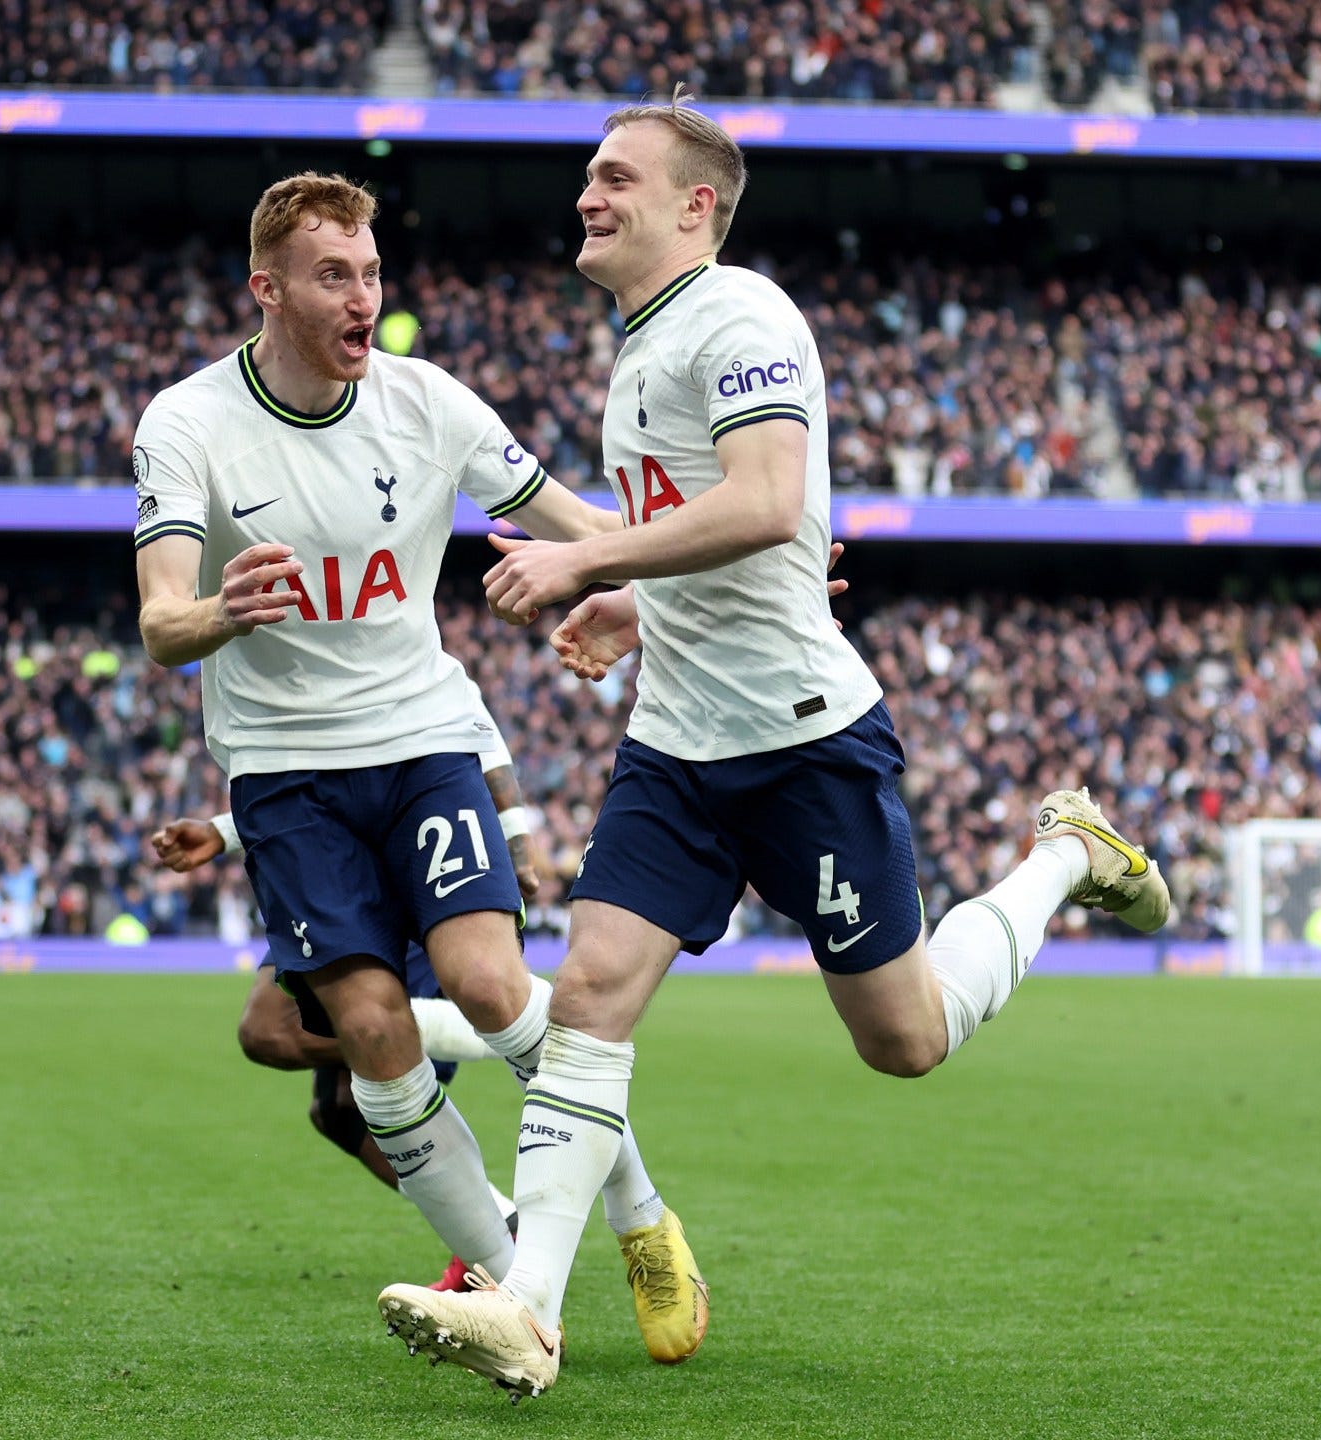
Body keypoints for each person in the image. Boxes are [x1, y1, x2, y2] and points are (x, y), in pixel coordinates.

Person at [376, 92, 1171, 1400]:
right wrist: (631, 602)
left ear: (695, 204)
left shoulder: (739, 315)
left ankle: (1064, 857)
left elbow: (765, 501)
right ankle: (530, 1311)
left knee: (904, 1038)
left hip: (803, 748)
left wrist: (584, 554)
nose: (588, 194)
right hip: (679, 748)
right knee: (589, 997)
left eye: (615, 176)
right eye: (587, 174)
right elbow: (744, 533)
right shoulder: (643, 341)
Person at [131, 171, 707, 1368]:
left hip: (423, 741)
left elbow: (587, 525)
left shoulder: (428, 403)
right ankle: (515, 1295)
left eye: (372, 272)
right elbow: (158, 621)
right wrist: (220, 614)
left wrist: (758, 565)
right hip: (285, 778)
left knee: (491, 987)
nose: (363, 298)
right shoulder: (184, 423)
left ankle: (639, 1216)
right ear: (268, 289)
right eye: (333, 275)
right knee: (370, 1030)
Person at [150, 705, 540, 1289]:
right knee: (336, 1111)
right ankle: (492, 1230)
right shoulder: (292, 660)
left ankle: (493, 1036)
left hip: (391, 872)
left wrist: (518, 847)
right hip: (322, 858)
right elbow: (317, 766)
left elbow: (476, 735)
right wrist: (223, 831)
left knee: (270, 1028)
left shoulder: (390, 641)